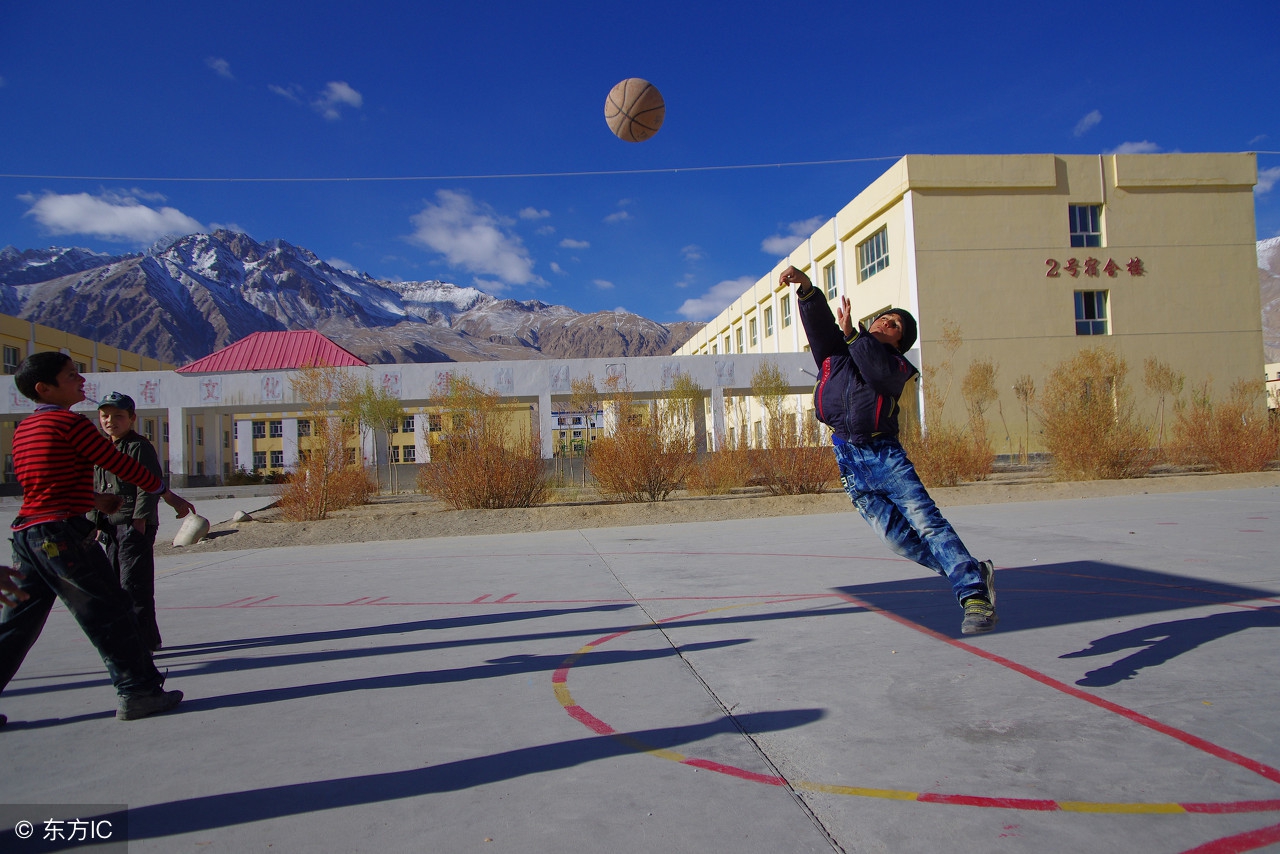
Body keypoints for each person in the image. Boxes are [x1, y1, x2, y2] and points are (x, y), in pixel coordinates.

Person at [780, 265, 998, 634]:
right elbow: (820, 330)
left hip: (885, 457)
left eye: (894, 324)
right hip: (848, 460)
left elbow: (877, 372)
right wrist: (806, 289)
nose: (884, 322)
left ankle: (974, 596)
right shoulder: (839, 353)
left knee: (928, 525)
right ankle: (971, 571)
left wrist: (854, 335)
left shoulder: (897, 366)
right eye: (883, 318)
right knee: (897, 540)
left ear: (900, 341)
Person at [0, 352, 196, 723]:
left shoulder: (25, 429)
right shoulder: (70, 423)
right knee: (111, 611)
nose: (82, 380)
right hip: (62, 536)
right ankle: (139, 692)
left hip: (28, 535)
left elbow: (44, 486)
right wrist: (164, 492)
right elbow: (118, 463)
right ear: (45, 388)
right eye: (71, 375)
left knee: (17, 623)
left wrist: (94, 500)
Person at [92, 391, 165, 651]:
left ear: (132, 418)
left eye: (118, 416)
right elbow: (96, 487)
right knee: (115, 584)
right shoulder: (101, 449)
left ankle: (143, 641)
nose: (110, 421)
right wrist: (94, 523)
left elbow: (149, 485)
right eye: (105, 416)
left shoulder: (138, 447)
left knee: (134, 584)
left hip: (133, 524)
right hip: (110, 525)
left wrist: (140, 520)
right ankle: (137, 638)